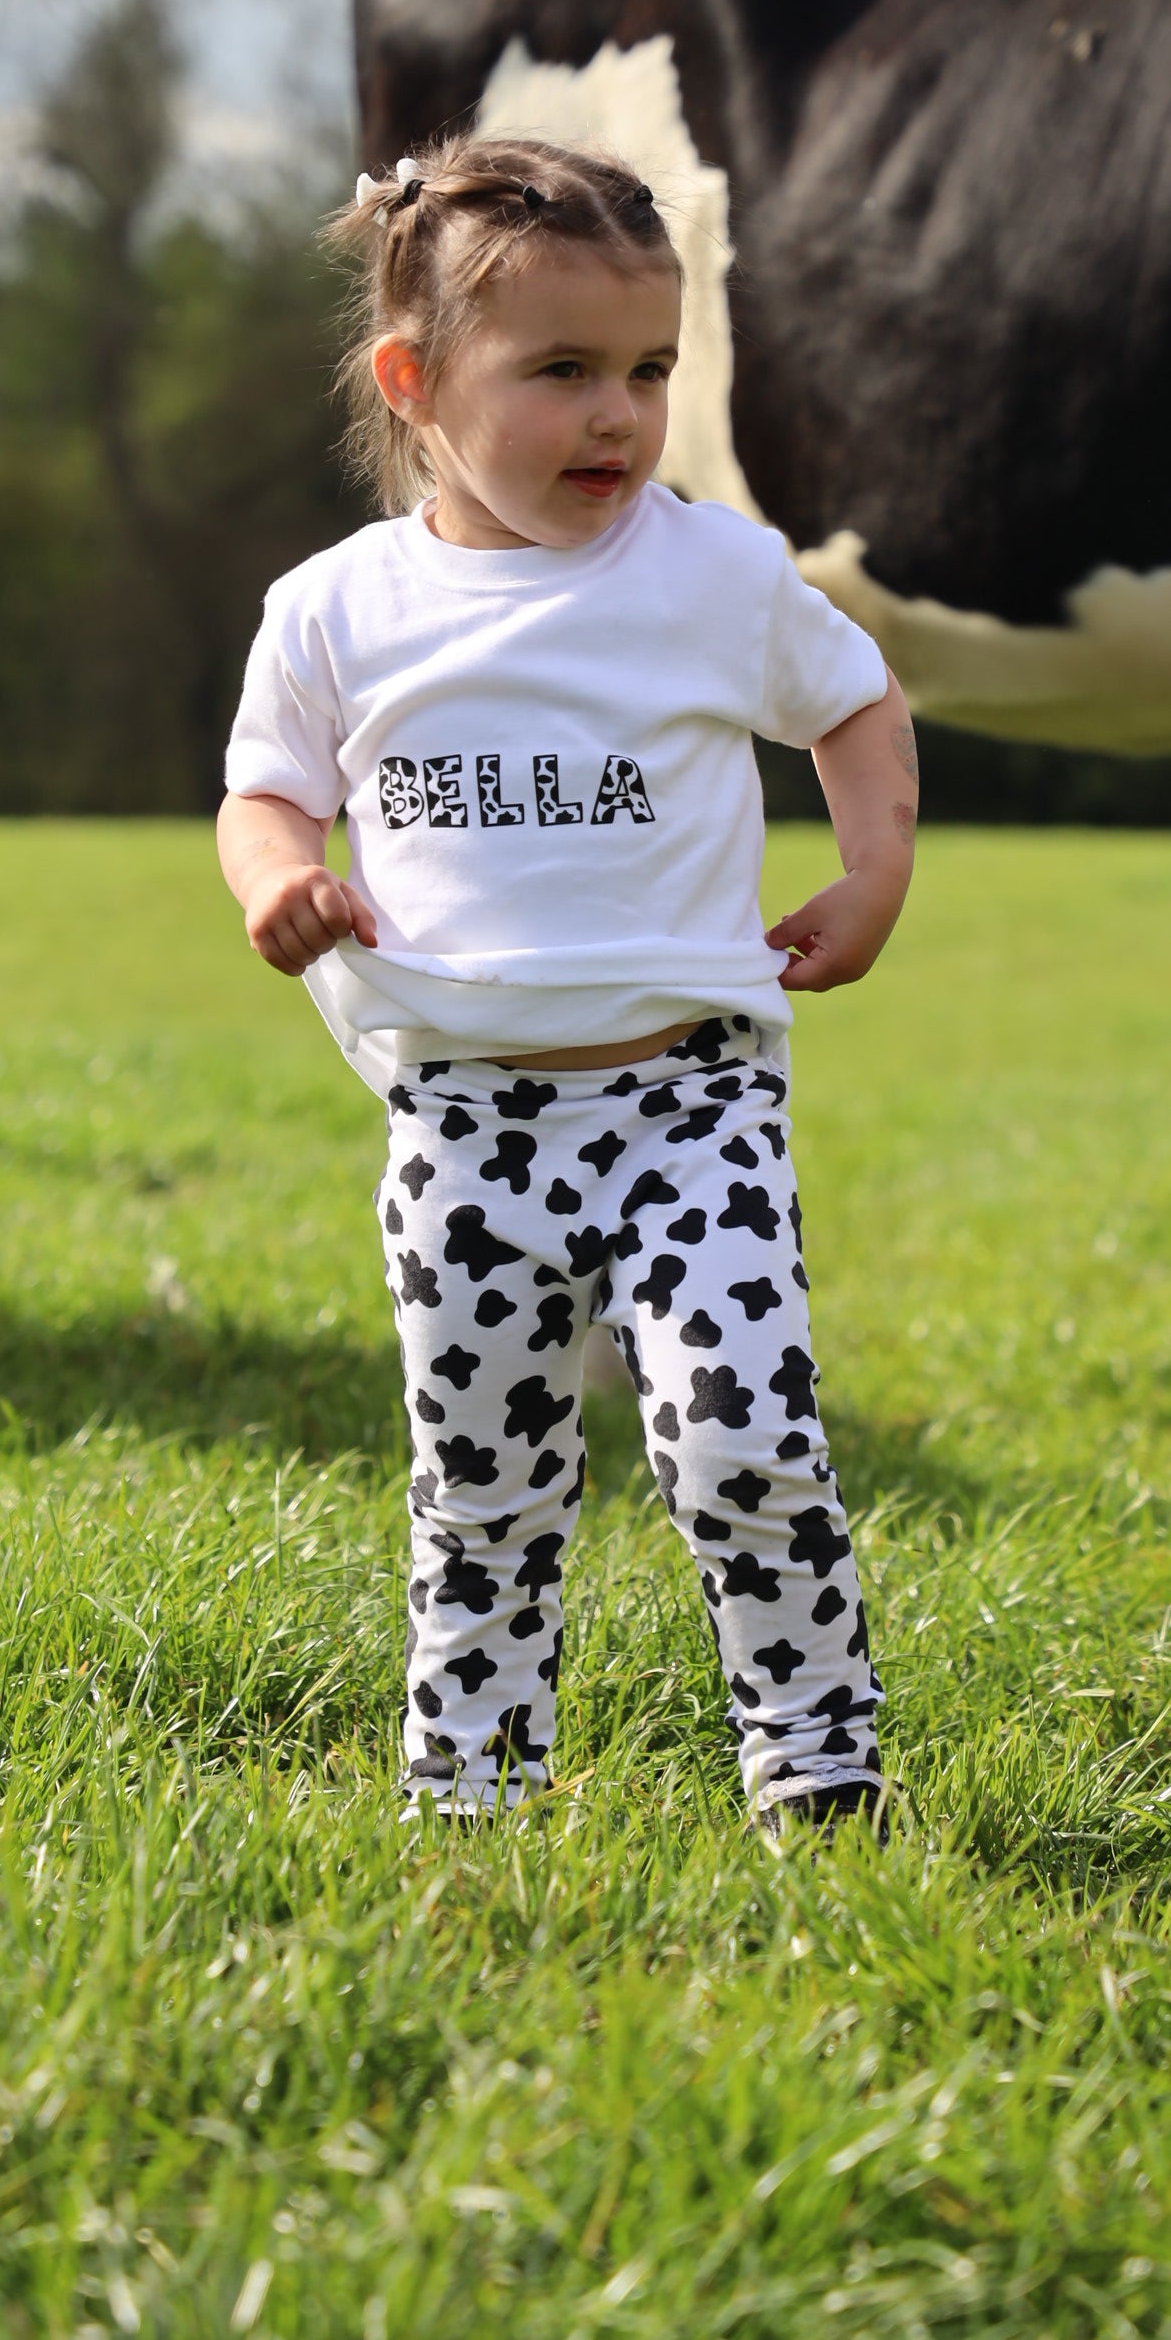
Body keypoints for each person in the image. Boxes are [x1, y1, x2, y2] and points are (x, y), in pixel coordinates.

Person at [216, 132, 917, 1836]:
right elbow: (265, 788)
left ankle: (818, 1764)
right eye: (561, 372)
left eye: (650, 370)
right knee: (485, 1485)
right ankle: (476, 1791)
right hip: (462, 1124)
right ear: (417, 381)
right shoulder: (336, 610)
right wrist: (279, 887)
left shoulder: (711, 573)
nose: (619, 415)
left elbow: (856, 698)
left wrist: (876, 870)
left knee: (747, 1439)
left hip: (693, 1101)